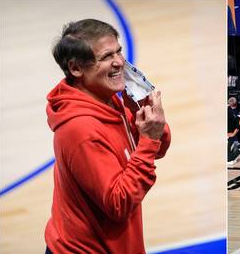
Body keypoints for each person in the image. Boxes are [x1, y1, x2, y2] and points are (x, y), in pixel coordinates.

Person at [45, 19, 171, 254]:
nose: (119, 62)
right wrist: (149, 140)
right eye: (106, 57)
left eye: (119, 51)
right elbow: (119, 203)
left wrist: (141, 104)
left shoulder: (109, 100)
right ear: (76, 68)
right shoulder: (79, 129)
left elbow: (159, 147)